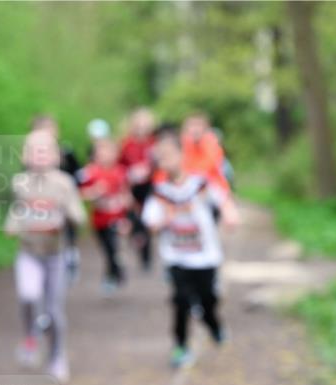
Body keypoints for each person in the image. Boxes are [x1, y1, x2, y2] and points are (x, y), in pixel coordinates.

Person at [142, 127, 239, 369]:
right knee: (181, 301)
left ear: (181, 154)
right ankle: (181, 345)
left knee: (208, 301)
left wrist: (230, 215)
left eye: (169, 155)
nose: (165, 161)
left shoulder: (200, 184)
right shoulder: (160, 192)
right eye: (160, 157)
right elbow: (151, 224)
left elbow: (224, 200)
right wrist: (166, 218)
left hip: (205, 257)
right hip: (177, 257)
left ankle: (215, 326)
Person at [5, 129, 87, 384]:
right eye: (34, 151)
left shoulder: (64, 183)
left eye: (45, 151)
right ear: (25, 156)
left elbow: (79, 216)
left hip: (55, 256)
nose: (40, 156)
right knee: (28, 295)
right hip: (29, 253)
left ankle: (57, 356)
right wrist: (13, 225)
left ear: (56, 156)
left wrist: (64, 213)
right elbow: (16, 214)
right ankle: (30, 338)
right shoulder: (20, 183)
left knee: (53, 312)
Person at [31, 115, 82, 284]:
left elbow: (78, 173)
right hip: (41, 201)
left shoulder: (66, 150)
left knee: (67, 228)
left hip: (64, 197)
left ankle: (70, 256)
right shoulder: (32, 154)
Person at [78, 137, 132, 295]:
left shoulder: (121, 171)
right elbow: (79, 194)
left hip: (116, 218)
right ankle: (117, 271)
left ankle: (112, 276)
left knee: (113, 247)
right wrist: (94, 192)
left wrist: (126, 210)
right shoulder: (90, 172)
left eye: (109, 152)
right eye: (101, 152)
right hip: (99, 219)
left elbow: (126, 194)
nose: (105, 155)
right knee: (106, 249)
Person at [119, 107, 157, 271]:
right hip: (132, 187)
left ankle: (146, 256)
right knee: (135, 220)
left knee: (147, 220)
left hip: (150, 186)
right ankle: (138, 242)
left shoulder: (154, 143)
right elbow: (120, 165)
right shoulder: (126, 143)